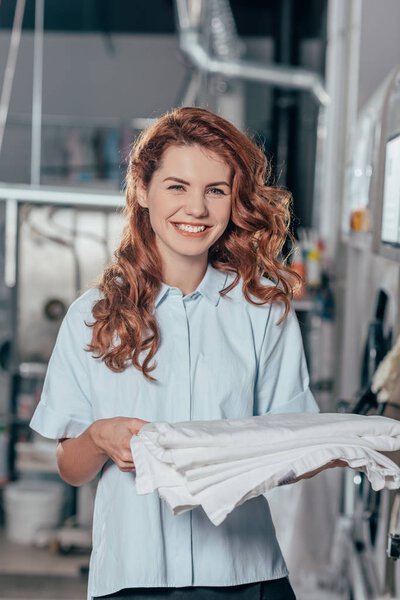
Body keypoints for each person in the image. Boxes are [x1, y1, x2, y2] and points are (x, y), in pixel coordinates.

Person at [30, 106, 340, 600]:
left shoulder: (264, 310)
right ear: (143, 191)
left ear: (234, 200)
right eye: (177, 186)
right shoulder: (94, 316)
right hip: (134, 577)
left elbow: (291, 442)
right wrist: (99, 438)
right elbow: (71, 467)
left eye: (215, 190)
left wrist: (343, 444)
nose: (196, 209)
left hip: (246, 572)